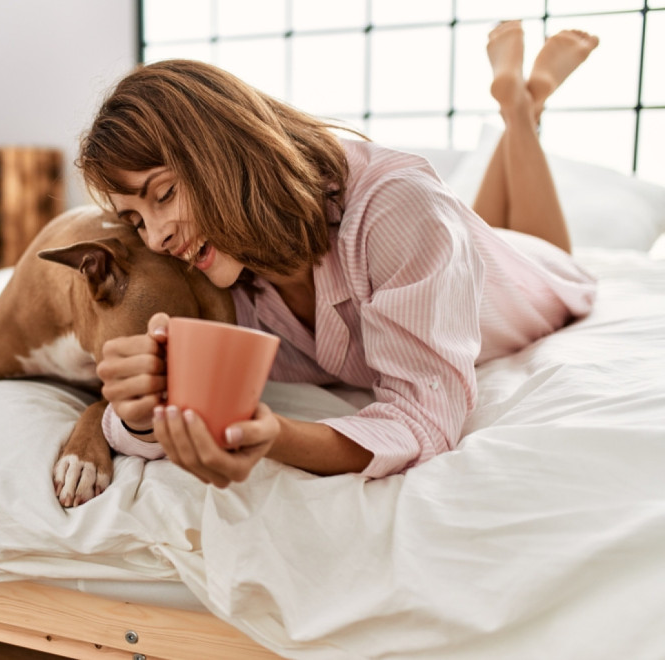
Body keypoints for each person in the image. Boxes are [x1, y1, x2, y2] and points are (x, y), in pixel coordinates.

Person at [78, 22, 600, 488]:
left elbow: (424, 421)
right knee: (483, 226)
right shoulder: (227, 277)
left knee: (540, 248)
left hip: (519, 281)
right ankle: (520, 104)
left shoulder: (400, 208)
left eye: (164, 194)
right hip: (449, 245)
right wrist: (142, 409)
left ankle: (519, 107)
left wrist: (278, 436)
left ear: (223, 151)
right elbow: (167, 419)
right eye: (137, 220)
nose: (155, 239)